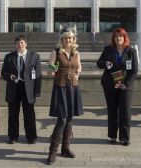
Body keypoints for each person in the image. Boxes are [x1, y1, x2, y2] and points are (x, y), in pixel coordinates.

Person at [46, 26, 83, 165]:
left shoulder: (76, 52)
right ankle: (52, 151)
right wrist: (52, 68)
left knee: (69, 119)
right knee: (62, 119)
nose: (68, 40)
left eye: (70, 38)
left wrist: (78, 73)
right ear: (61, 39)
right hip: (60, 88)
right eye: (65, 38)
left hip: (72, 87)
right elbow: (49, 69)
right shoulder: (56, 52)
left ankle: (65, 148)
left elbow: (79, 67)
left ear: (73, 39)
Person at [96, 28, 138, 146]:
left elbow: (134, 71)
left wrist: (125, 84)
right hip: (110, 84)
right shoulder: (108, 50)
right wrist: (106, 64)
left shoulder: (131, 51)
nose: (118, 38)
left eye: (121, 36)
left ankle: (125, 137)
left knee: (125, 111)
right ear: (113, 39)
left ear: (125, 38)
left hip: (125, 85)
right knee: (112, 110)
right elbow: (99, 63)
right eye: (116, 37)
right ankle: (113, 136)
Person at [1, 35, 42, 144]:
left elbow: (38, 75)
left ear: (26, 44)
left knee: (29, 113)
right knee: (13, 113)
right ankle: (13, 137)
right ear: (15, 45)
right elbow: (3, 73)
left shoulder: (34, 56)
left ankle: (31, 137)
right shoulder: (9, 57)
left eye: (22, 43)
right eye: (18, 43)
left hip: (28, 88)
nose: (20, 45)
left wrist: (37, 91)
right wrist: (9, 76)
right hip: (14, 87)